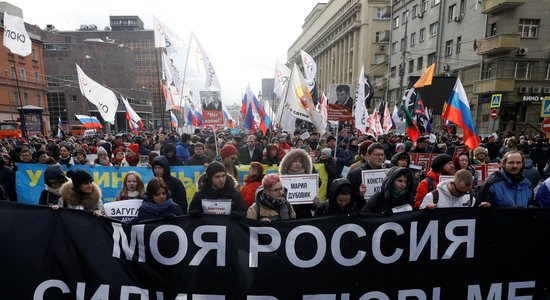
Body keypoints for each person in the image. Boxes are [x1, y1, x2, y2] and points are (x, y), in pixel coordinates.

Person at [347, 142, 387, 209]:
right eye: (377, 155)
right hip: (363, 213)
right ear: (368, 156)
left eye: (382, 155)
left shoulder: (388, 172)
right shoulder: (354, 174)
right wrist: (359, 193)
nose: (380, 157)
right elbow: (347, 198)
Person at [280, 148, 318, 218]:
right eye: (294, 161)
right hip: (287, 219)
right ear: (288, 163)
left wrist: (314, 203)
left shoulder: (309, 181)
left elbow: (312, 208)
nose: (298, 164)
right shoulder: (281, 180)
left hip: (305, 218)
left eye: (300, 162)